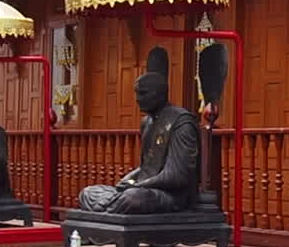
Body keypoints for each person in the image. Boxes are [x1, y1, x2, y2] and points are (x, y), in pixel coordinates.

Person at [77, 67, 198, 214]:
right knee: (88, 193)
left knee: (133, 198)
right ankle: (112, 206)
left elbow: (176, 176)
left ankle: (107, 207)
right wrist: (125, 182)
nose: (138, 99)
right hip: (143, 187)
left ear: (160, 94)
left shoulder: (181, 122)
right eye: (137, 93)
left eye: (143, 93)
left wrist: (138, 186)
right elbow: (145, 167)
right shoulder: (146, 122)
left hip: (170, 195)